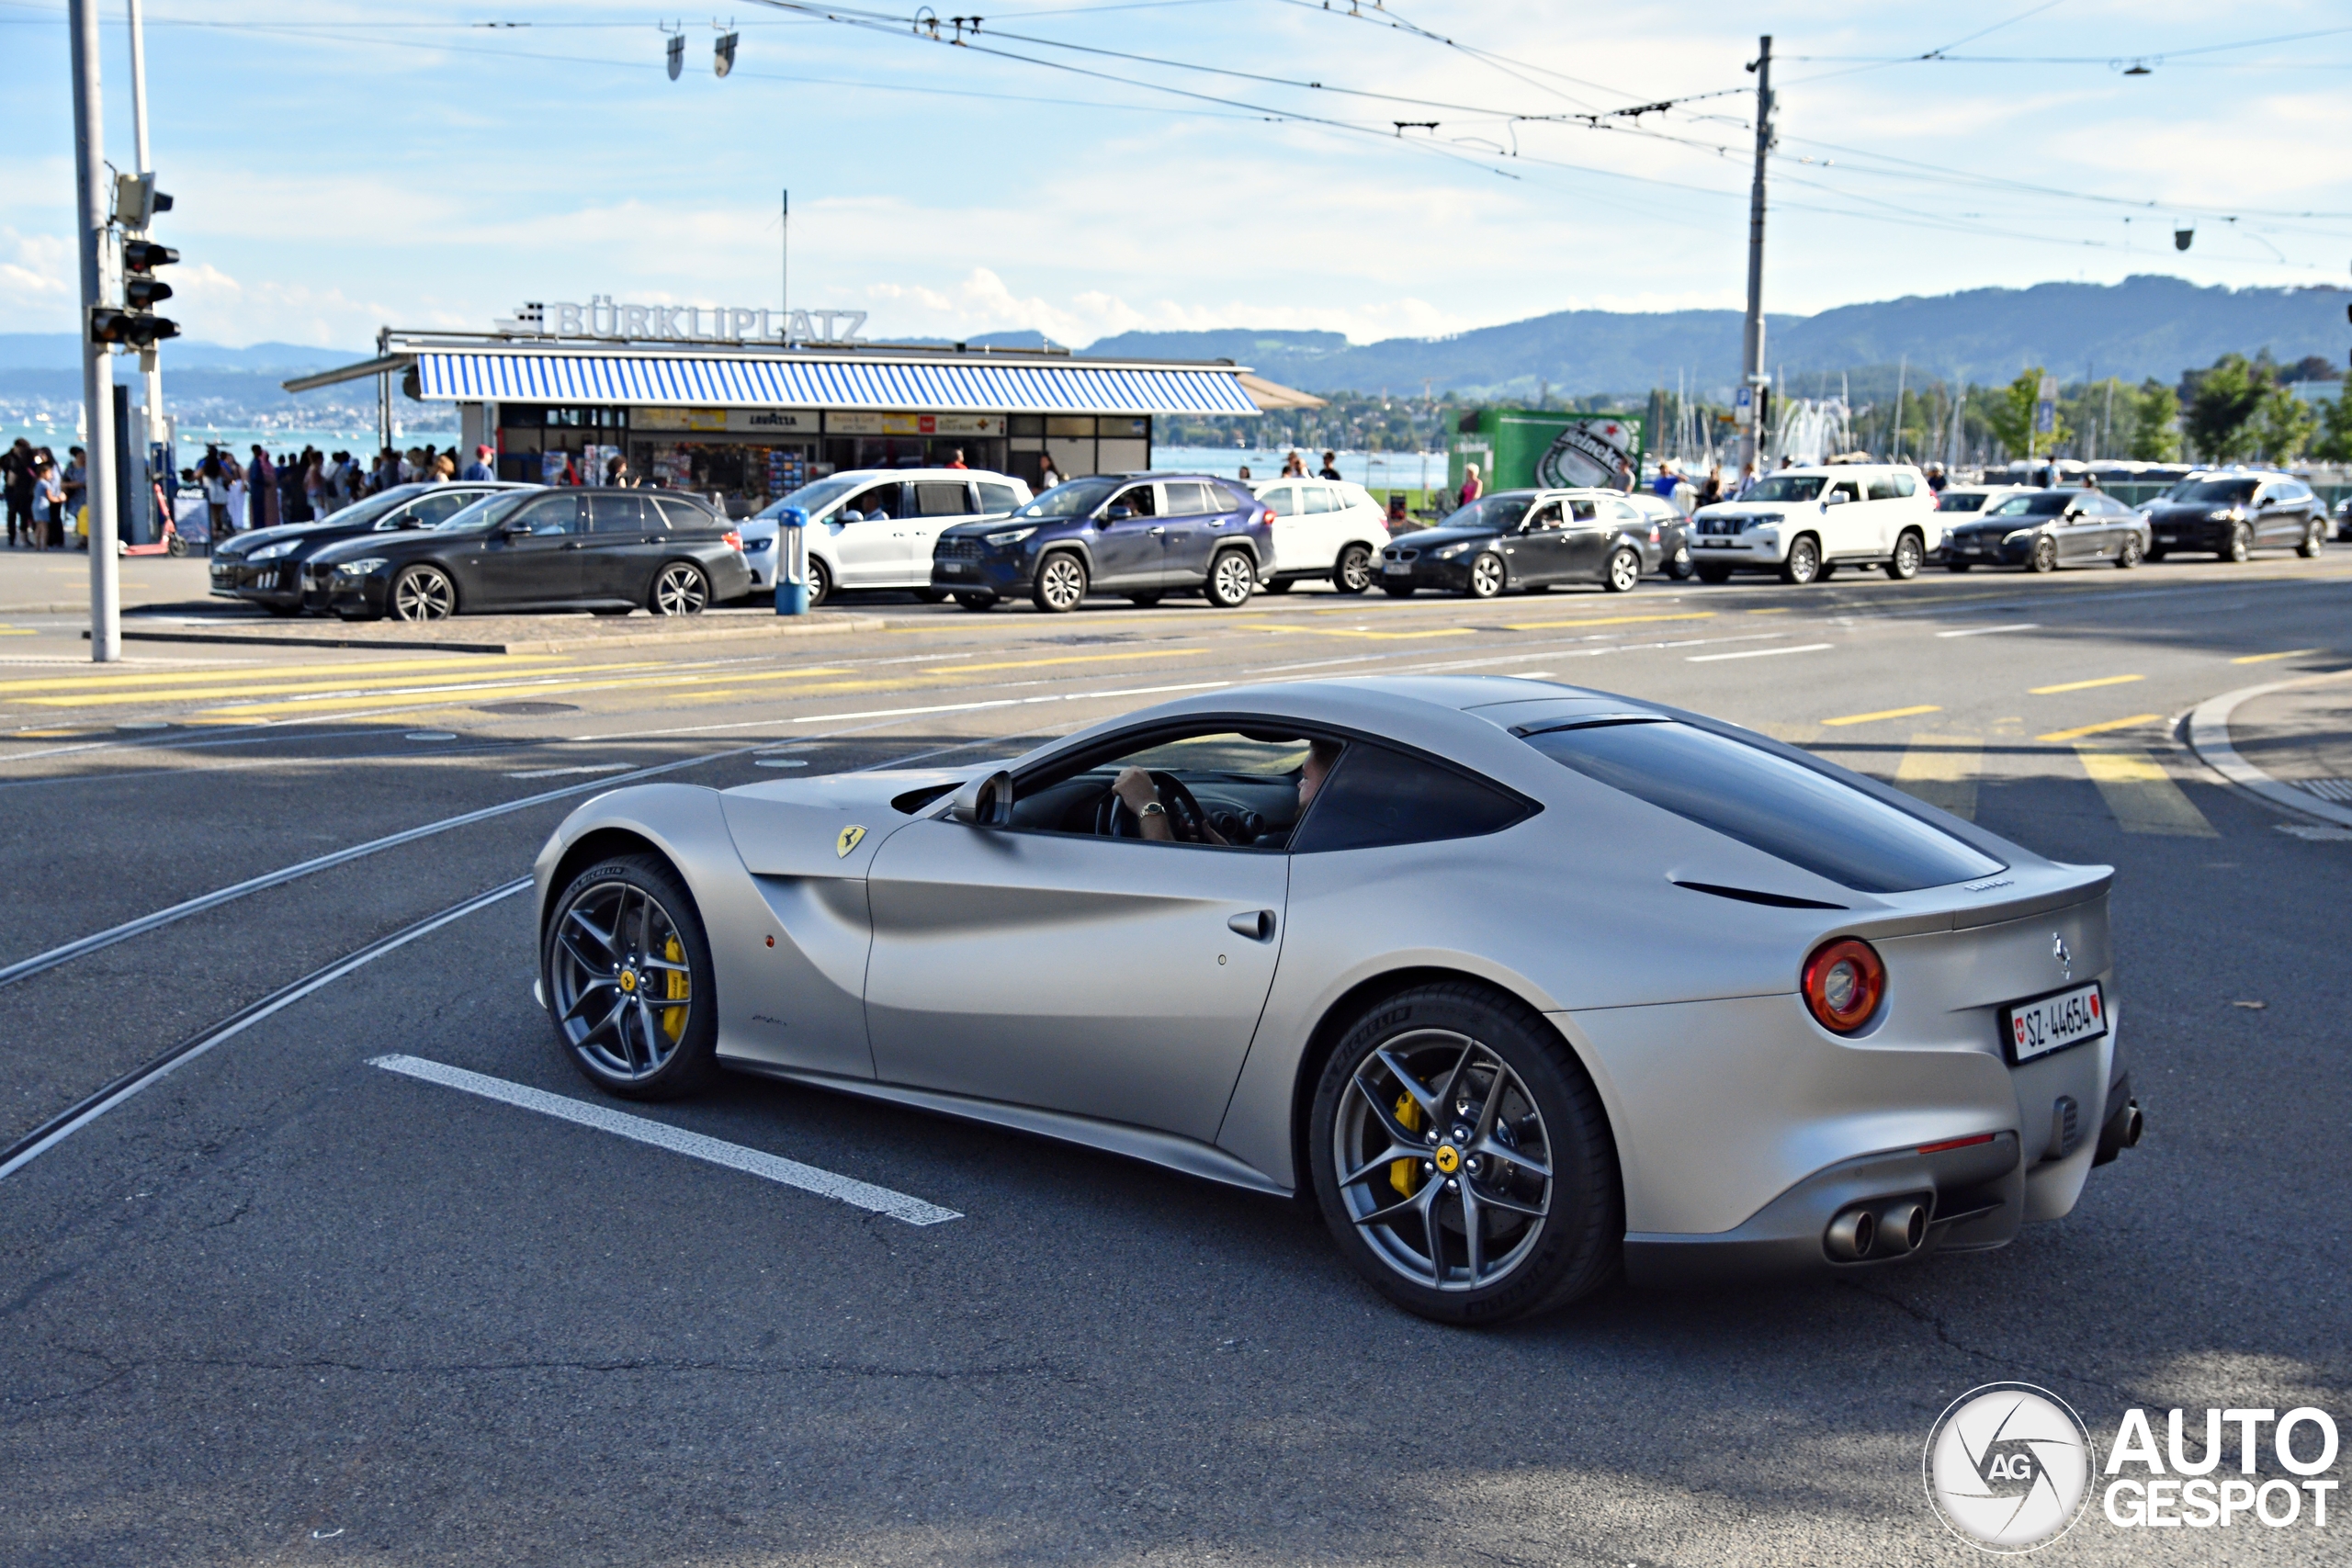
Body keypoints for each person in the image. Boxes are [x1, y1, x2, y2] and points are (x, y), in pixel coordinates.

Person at [1109, 738, 1340, 846]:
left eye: (1317, 751)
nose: (1304, 767)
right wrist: (1226, 854)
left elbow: (1165, 876)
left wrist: (1148, 806)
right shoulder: (1343, 835)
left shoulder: (1318, 843)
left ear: (1346, 774)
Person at [3, 437, 31, 547]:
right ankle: (12, 536)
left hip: (24, 488)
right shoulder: (7, 458)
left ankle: (23, 536)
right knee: (12, 512)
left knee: (24, 513)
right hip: (12, 489)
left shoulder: (27, 457)